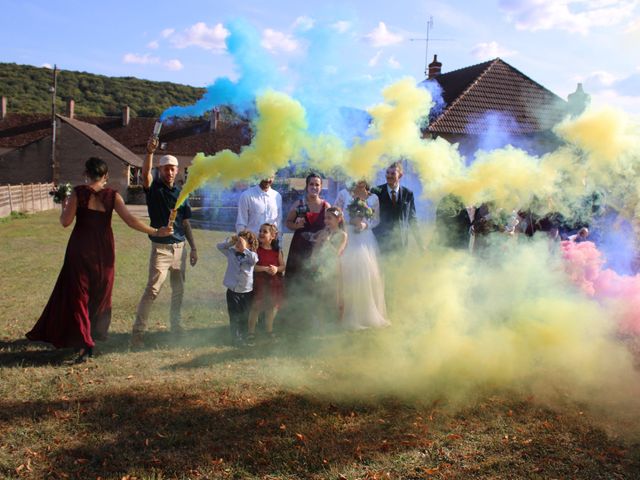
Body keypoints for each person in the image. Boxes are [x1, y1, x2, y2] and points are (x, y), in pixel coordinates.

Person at [26, 157, 172, 362]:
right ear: (106, 176)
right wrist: (156, 231)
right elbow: (131, 221)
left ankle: (84, 341)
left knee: (79, 295)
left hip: (79, 249)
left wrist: (64, 205)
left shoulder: (78, 193)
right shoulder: (113, 196)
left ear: (86, 174)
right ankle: (89, 337)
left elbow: (65, 222)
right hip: (103, 251)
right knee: (98, 294)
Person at [131, 136, 198, 347]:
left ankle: (176, 327)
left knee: (178, 291)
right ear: (160, 170)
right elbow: (144, 176)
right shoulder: (154, 190)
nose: (169, 172)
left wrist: (194, 247)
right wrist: (150, 152)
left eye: (172, 169)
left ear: (177, 171)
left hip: (180, 248)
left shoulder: (182, 193)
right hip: (161, 249)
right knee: (152, 291)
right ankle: (138, 333)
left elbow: (185, 223)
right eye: (165, 168)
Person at [281, 173, 330, 332]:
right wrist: (297, 225)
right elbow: (287, 222)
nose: (314, 187)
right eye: (311, 184)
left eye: (317, 184)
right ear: (306, 186)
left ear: (321, 187)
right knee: (297, 279)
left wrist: (324, 236)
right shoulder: (299, 204)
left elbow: (331, 227)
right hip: (300, 246)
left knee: (315, 282)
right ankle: (293, 319)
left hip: (318, 249)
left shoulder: (326, 206)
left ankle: (313, 319)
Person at [337, 180, 389, 330]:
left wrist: (365, 224)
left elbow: (376, 219)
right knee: (349, 274)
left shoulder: (374, 198)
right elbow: (336, 213)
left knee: (367, 274)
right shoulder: (344, 194)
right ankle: (347, 314)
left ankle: (367, 315)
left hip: (366, 238)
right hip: (349, 237)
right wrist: (349, 221)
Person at [217, 230, 259, 346]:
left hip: (246, 292)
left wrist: (244, 248)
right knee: (234, 315)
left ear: (249, 245)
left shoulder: (252, 255)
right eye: (238, 242)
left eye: (242, 242)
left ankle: (244, 336)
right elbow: (219, 246)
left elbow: (255, 260)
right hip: (233, 291)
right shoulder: (231, 252)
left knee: (245, 315)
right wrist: (232, 242)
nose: (238, 245)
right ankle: (235, 338)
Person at [371, 162, 422, 254]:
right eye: (387, 173)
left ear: (400, 175)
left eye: (393, 173)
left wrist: (420, 244)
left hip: (401, 243)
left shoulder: (408, 194)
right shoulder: (376, 191)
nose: (389, 176)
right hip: (380, 242)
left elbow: (412, 219)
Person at [247, 223, 285, 342]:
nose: (261, 233)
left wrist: (276, 269)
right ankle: (251, 332)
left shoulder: (277, 251)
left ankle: (269, 331)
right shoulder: (256, 250)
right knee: (255, 308)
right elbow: (253, 267)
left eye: (265, 231)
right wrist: (264, 269)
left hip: (273, 284)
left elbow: (283, 266)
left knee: (270, 308)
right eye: (260, 231)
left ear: (273, 236)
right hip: (260, 283)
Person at [311, 207, 348, 324]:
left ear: (339, 219)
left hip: (334, 267)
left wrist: (327, 241)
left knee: (336, 294)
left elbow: (337, 252)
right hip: (322, 265)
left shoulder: (342, 235)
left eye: (329, 218)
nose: (326, 221)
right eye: (325, 218)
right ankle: (322, 321)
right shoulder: (323, 233)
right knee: (321, 294)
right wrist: (313, 260)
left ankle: (337, 322)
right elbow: (315, 250)